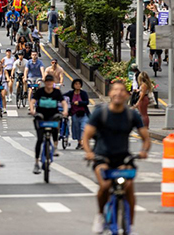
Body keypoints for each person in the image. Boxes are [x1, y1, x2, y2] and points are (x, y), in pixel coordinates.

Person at [82, 80, 151, 235]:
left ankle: (130, 227)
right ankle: (100, 216)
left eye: (122, 90)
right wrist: (89, 152)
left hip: (124, 159)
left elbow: (145, 137)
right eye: (115, 90)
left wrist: (144, 150)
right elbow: (85, 137)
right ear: (110, 93)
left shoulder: (131, 115)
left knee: (129, 190)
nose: (118, 93)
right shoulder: (101, 113)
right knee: (105, 186)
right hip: (102, 158)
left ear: (127, 95)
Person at [29, 74, 68, 173]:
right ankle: (36, 162)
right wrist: (32, 110)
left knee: (56, 127)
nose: (49, 83)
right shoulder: (40, 92)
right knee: (40, 139)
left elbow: (63, 103)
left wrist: (65, 111)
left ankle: (55, 147)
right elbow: (32, 101)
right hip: (41, 117)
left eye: (51, 82)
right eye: (47, 82)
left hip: (52, 116)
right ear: (45, 83)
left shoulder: (57, 92)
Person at [64, 79, 90, 149]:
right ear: (73, 85)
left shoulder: (83, 93)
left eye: (79, 84)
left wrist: (79, 103)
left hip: (83, 114)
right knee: (77, 129)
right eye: (76, 84)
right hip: (74, 114)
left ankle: (83, 142)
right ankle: (79, 142)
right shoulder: (70, 93)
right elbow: (63, 96)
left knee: (83, 128)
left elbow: (87, 102)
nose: (78, 85)